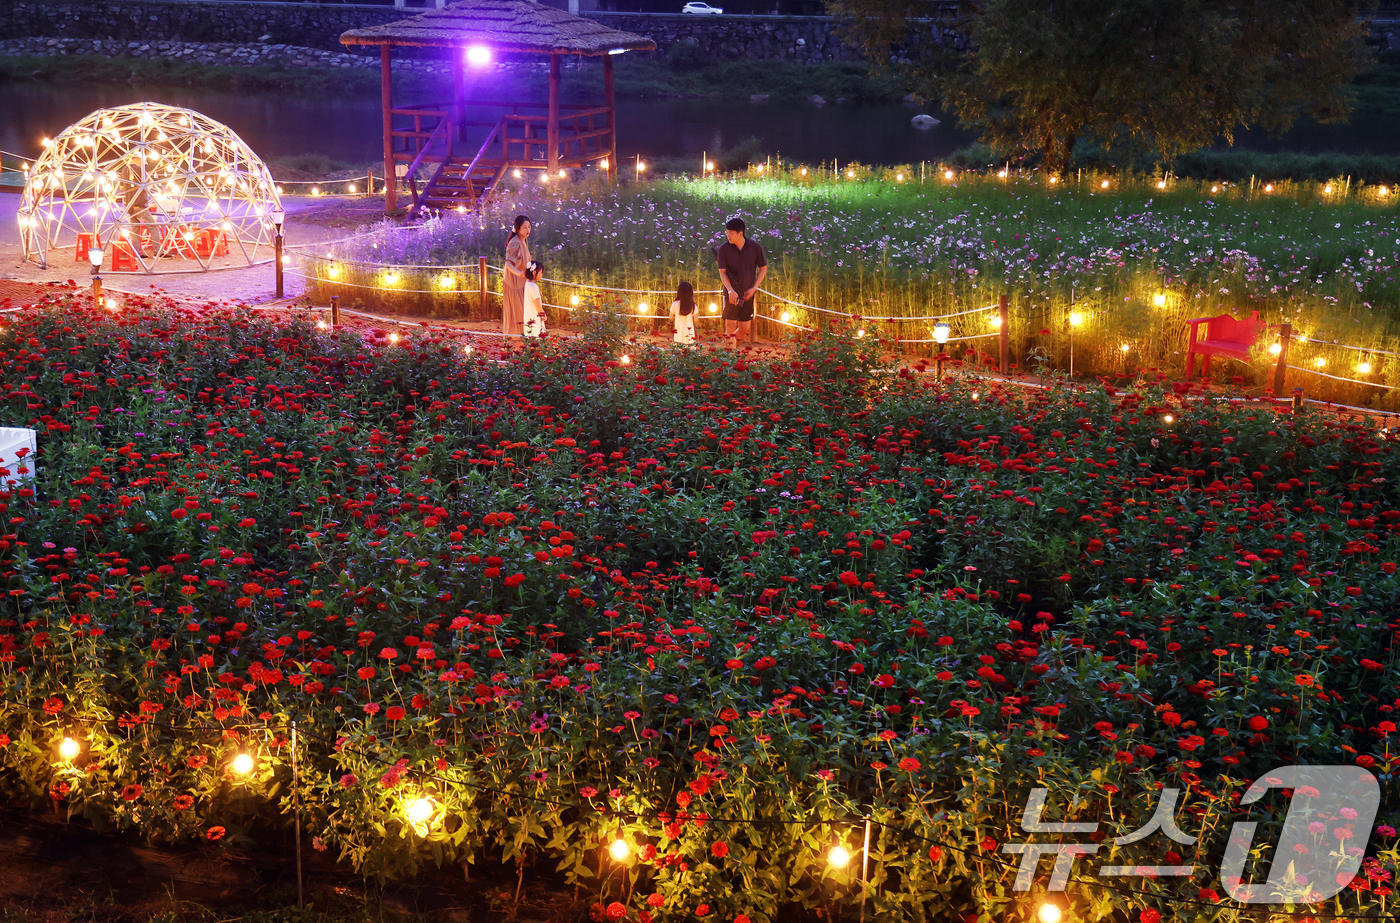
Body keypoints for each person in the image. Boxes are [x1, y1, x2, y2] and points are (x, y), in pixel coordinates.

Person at [715, 217, 766, 349]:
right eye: (727, 232)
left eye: (731, 233)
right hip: (731, 293)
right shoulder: (724, 249)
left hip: (747, 293)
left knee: (744, 330)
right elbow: (723, 272)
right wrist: (730, 291)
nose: (728, 235)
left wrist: (754, 288)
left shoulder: (755, 247)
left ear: (740, 233)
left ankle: (728, 351)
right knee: (730, 325)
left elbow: (763, 269)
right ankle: (729, 356)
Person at [502, 215, 531, 336]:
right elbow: (508, 263)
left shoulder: (524, 240)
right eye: (524, 227)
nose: (528, 230)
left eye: (529, 227)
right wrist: (519, 273)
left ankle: (523, 345)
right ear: (518, 229)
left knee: (525, 314)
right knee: (518, 315)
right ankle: (517, 345)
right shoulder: (515, 243)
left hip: (523, 284)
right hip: (515, 285)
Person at [523, 260, 547, 339]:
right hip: (534, 315)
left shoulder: (527, 284)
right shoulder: (533, 287)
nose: (541, 275)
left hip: (528, 314)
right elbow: (537, 303)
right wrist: (542, 314)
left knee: (530, 336)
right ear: (534, 272)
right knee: (537, 337)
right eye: (541, 272)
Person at [669, 280, 697, 345]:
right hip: (690, 333)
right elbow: (696, 319)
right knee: (690, 352)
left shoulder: (675, 304)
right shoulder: (693, 305)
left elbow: (671, 317)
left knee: (679, 351)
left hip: (678, 332)